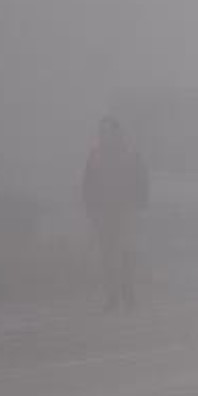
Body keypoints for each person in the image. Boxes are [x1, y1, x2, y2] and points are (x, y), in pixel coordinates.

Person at [82, 116, 148, 312]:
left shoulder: (131, 154)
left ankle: (128, 292)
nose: (105, 135)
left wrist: (139, 204)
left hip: (126, 210)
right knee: (107, 255)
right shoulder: (95, 155)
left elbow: (141, 180)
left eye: (109, 131)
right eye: (103, 131)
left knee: (126, 251)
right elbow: (88, 183)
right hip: (104, 211)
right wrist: (90, 206)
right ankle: (112, 296)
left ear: (118, 133)